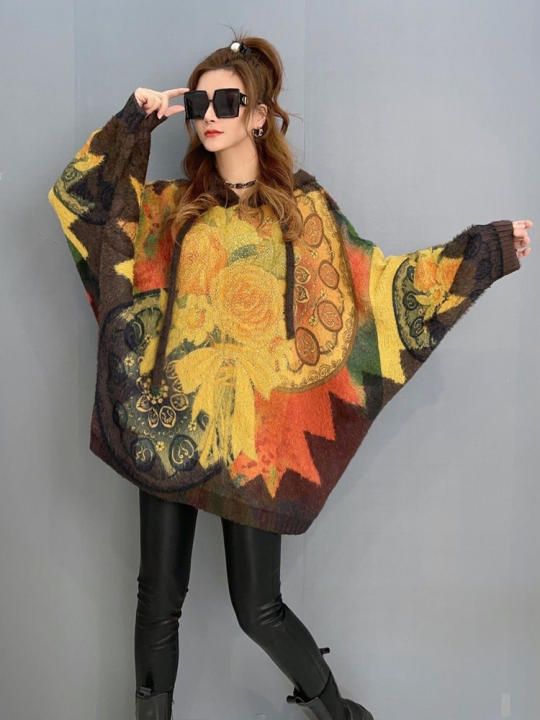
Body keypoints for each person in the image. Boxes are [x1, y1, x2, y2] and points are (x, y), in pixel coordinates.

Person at [47, 31, 532, 720]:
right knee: (157, 598)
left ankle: (340, 715)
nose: (210, 115)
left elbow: (376, 290)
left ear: (257, 114)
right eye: (199, 103)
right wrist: (133, 122)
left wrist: (483, 252)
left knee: (258, 608)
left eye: (227, 102)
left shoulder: (302, 211)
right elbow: (85, 207)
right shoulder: (171, 206)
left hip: (258, 444)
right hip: (169, 427)